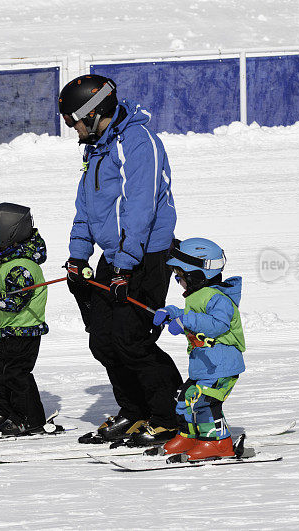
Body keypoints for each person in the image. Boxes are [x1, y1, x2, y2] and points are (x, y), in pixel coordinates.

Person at [58, 74, 182, 447]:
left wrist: (127, 262)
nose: (73, 129)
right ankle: (134, 411)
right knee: (103, 341)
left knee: (132, 340)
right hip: (117, 257)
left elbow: (139, 207)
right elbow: (87, 206)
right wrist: (79, 255)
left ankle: (167, 416)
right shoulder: (95, 146)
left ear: (96, 113)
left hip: (144, 256)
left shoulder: (137, 142)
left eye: (74, 121)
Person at [0, 202, 55, 438]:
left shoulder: (21, 266)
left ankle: (30, 419)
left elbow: (15, 302)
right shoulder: (11, 263)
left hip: (24, 331)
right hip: (11, 331)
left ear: (8, 236)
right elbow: (8, 291)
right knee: (2, 370)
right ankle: (6, 410)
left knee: (17, 374)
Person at [152, 237, 246, 460]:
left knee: (205, 402)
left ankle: (219, 443)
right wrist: (171, 312)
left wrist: (185, 320)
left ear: (196, 275)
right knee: (184, 398)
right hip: (204, 367)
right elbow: (193, 314)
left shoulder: (219, 298)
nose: (179, 281)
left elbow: (217, 324)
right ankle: (191, 436)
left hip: (221, 366)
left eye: (180, 277)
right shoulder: (198, 296)